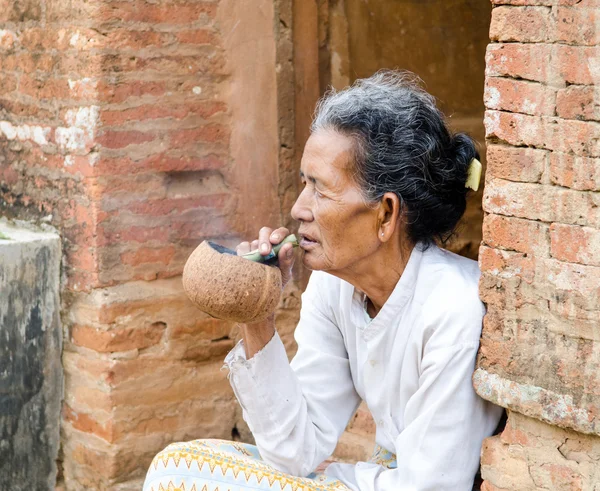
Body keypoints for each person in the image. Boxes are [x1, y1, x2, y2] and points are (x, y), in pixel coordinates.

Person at [143, 70, 503, 491]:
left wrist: (332, 478)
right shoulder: (335, 286)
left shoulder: (453, 309)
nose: (298, 208)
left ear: (385, 214)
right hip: (371, 481)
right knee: (177, 465)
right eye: (303, 184)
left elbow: (430, 486)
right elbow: (297, 449)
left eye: (320, 189)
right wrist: (257, 316)